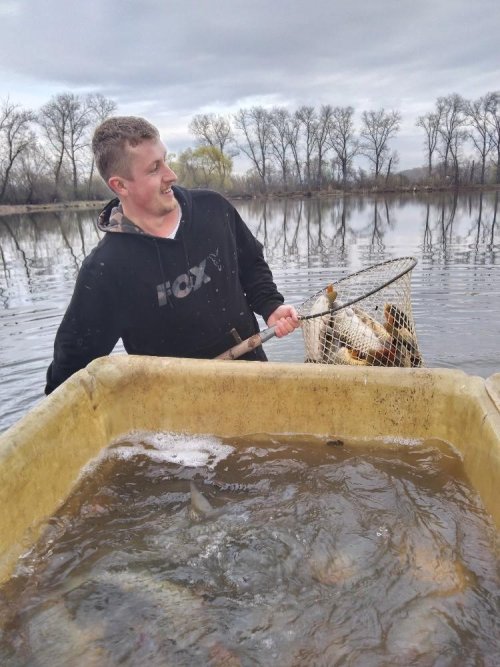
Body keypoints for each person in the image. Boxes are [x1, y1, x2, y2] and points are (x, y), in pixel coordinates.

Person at [45, 116, 300, 394]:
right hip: (178, 412)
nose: (171, 175)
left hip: (253, 378)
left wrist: (271, 306)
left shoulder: (213, 209)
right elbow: (71, 367)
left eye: (165, 160)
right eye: (154, 169)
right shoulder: (107, 268)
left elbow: (251, 264)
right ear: (120, 186)